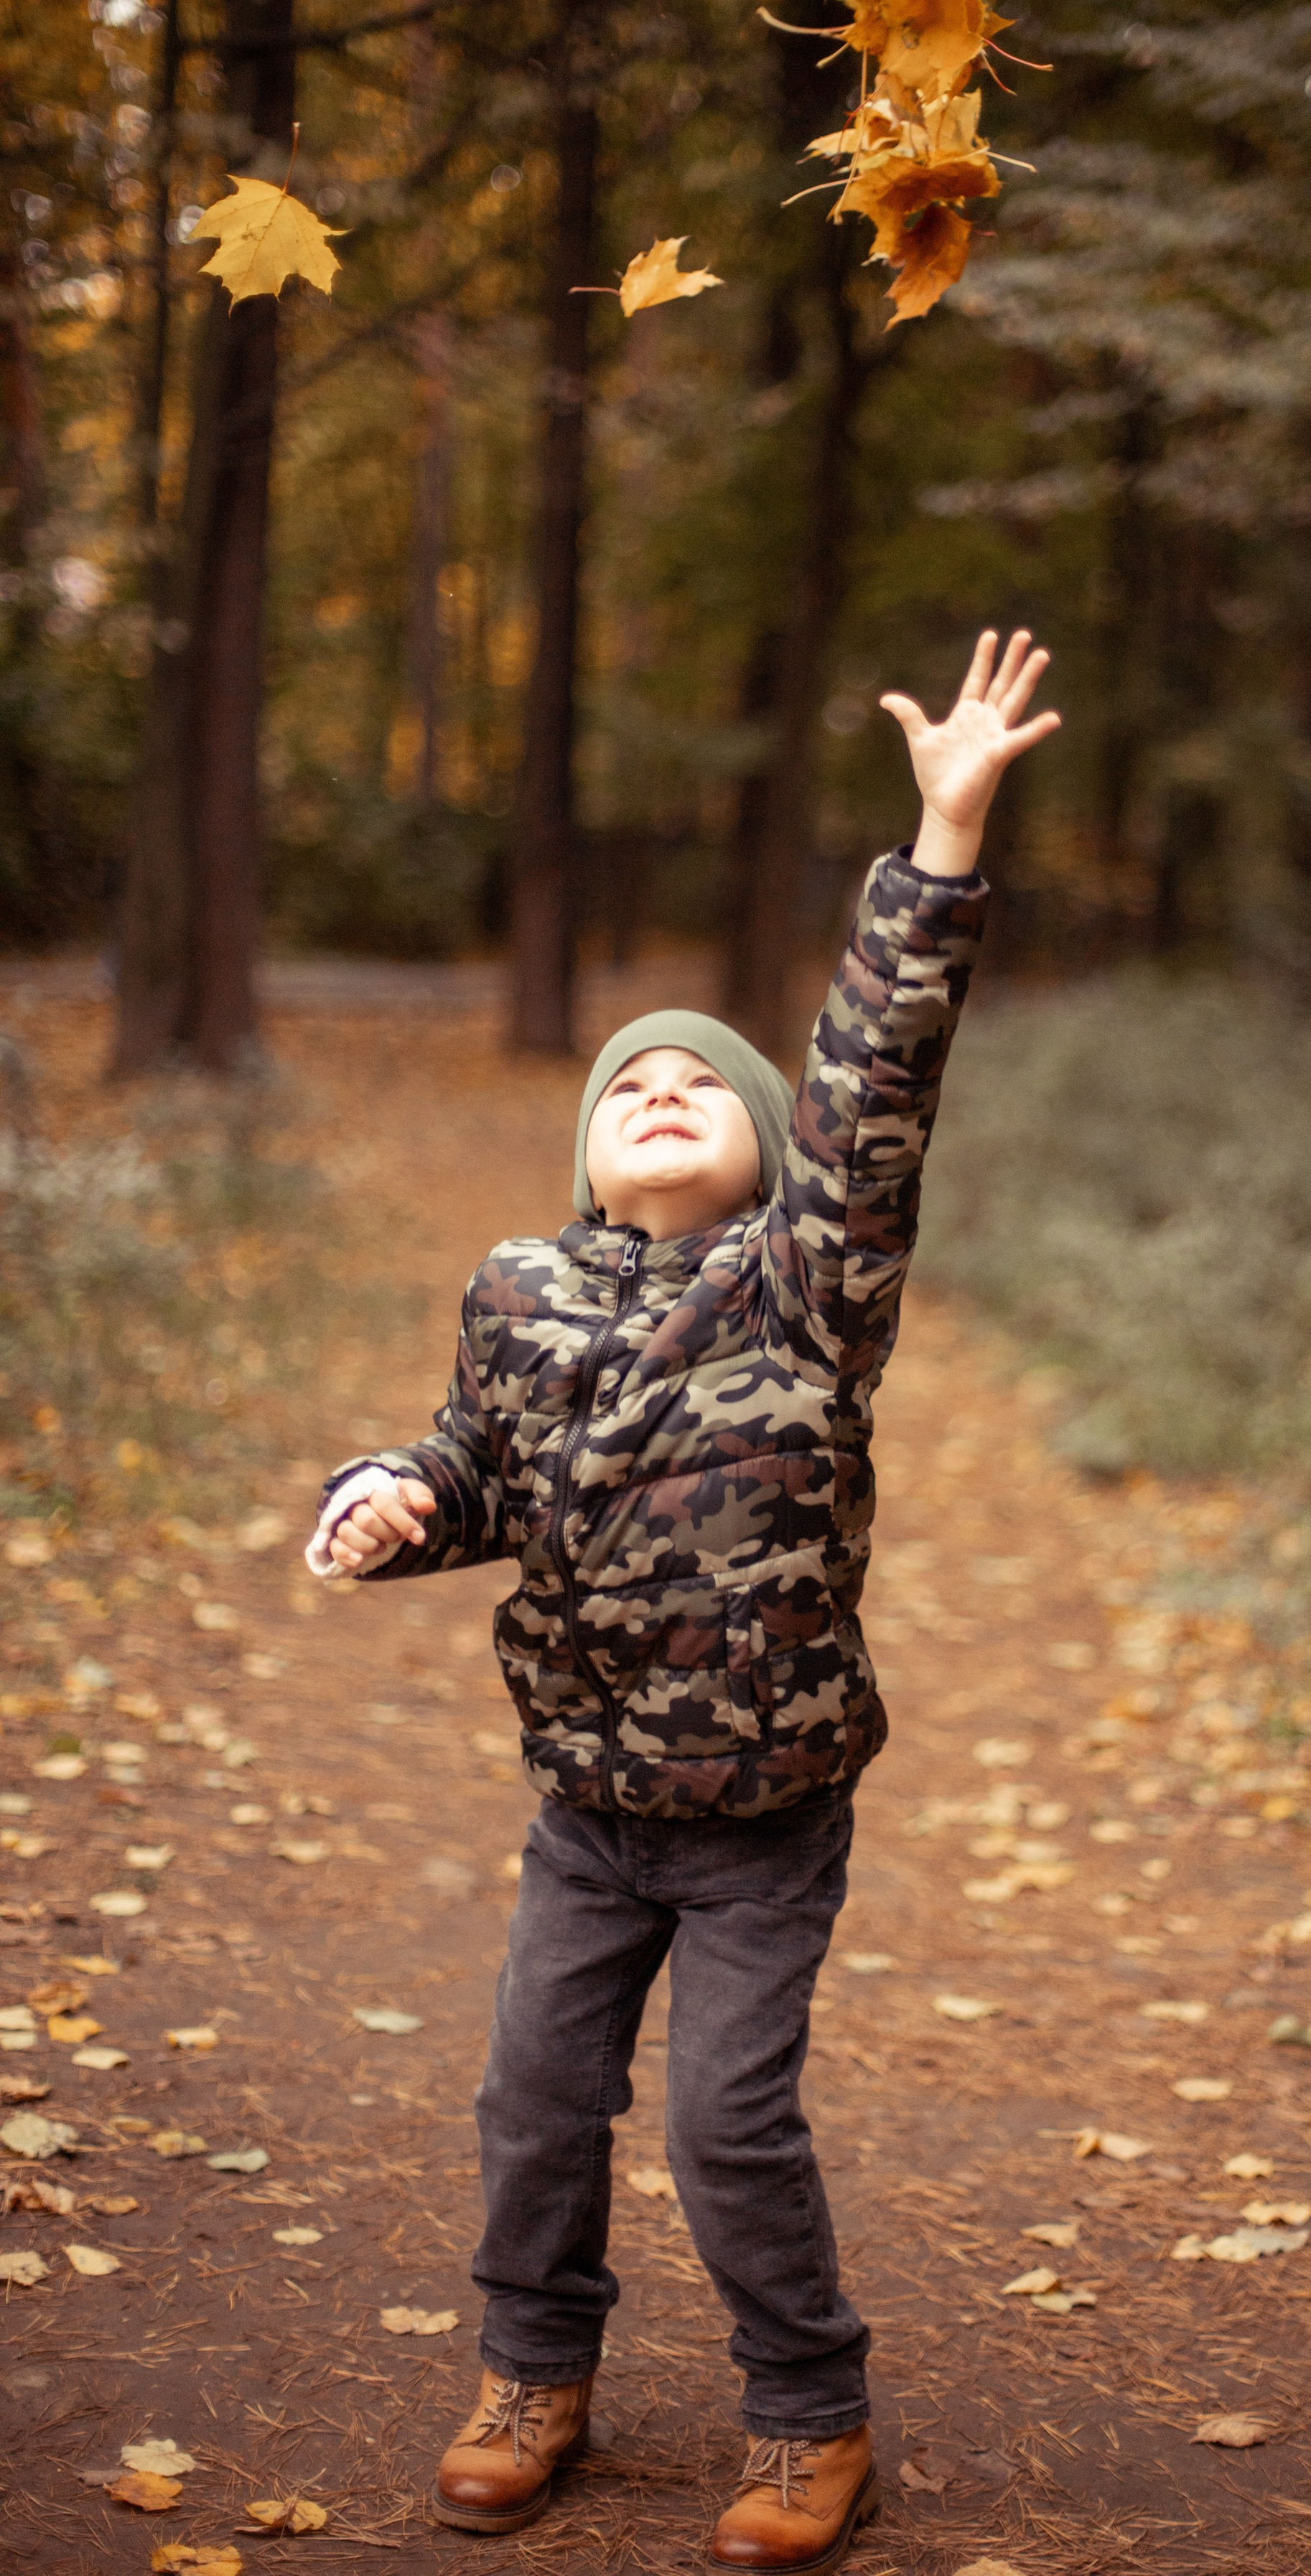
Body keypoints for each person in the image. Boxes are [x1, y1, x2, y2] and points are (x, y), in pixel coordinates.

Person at [304, 629, 1058, 2572]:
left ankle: (813, 2415)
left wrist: (941, 843)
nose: (655, 1088)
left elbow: (878, 1068)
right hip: (586, 1809)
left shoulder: (807, 1284)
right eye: (623, 1081)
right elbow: (480, 1465)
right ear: (583, 1155)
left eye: (697, 1082)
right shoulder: (518, 1290)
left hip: (764, 1819)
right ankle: (533, 2370)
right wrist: (396, 1493)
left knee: (727, 2123)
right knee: (535, 2101)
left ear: (774, 1158)